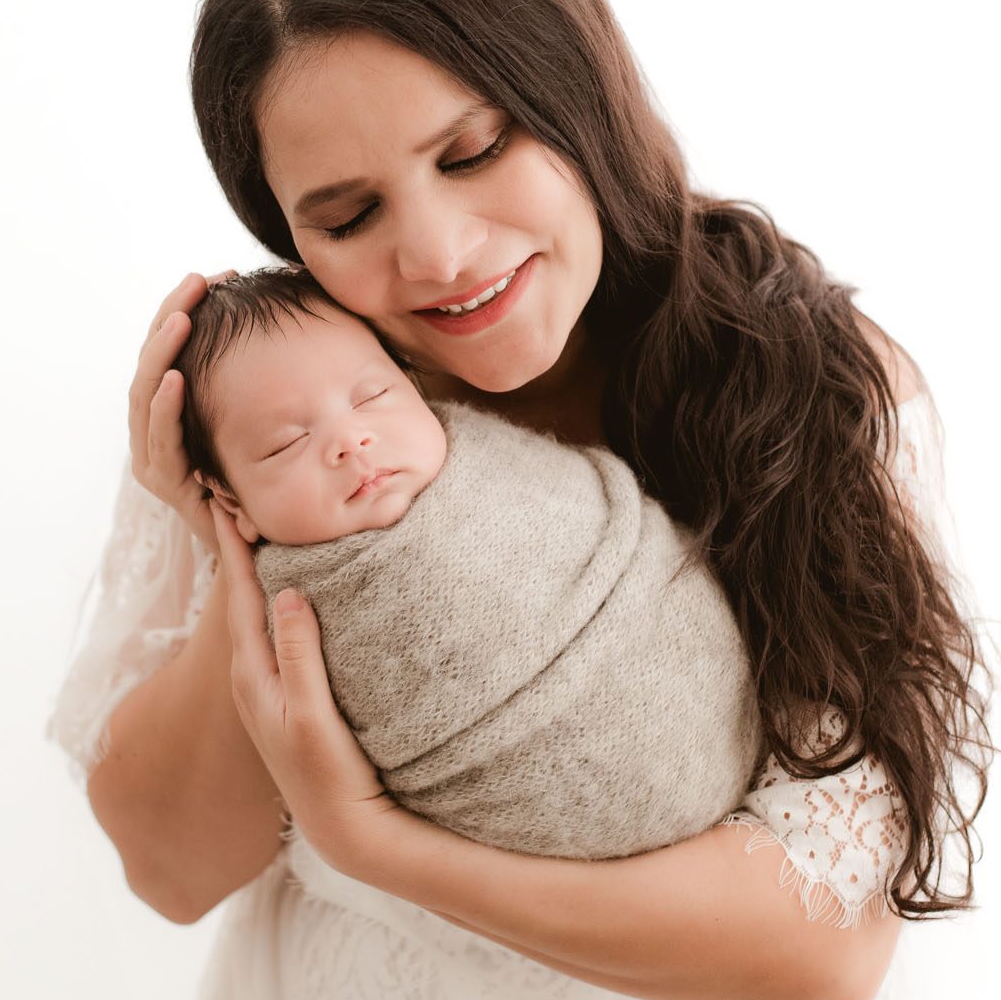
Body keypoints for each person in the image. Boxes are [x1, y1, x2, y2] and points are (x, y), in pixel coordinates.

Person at [47, 0, 994, 1000]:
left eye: (473, 153)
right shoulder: (275, 415)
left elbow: (822, 952)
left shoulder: (801, 383)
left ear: (579, 100)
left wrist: (375, 843)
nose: (439, 253)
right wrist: (233, 527)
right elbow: (171, 868)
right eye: (347, 216)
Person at [168, 263, 762, 862]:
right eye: (286, 443)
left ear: (416, 387)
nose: (349, 441)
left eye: (372, 396)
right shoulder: (290, 617)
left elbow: (626, 534)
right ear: (231, 504)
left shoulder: (497, 457)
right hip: (541, 837)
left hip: (704, 700)